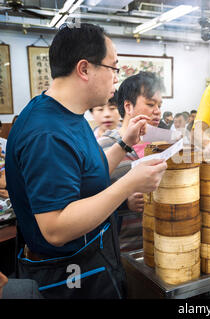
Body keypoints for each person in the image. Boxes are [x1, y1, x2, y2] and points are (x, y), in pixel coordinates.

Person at [5, 23, 167, 299]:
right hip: (69, 276)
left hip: (95, 259)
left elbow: (87, 175)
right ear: (84, 69)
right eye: (113, 68)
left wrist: (123, 143)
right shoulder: (46, 133)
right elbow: (56, 227)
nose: (116, 79)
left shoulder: (69, 115)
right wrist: (128, 184)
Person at [97, 71, 164, 252]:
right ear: (128, 107)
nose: (157, 111)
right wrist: (124, 203)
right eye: (150, 104)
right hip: (121, 251)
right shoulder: (104, 147)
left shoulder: (160, 146)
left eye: (160, 105)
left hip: (160, 246)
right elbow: (88, 199)